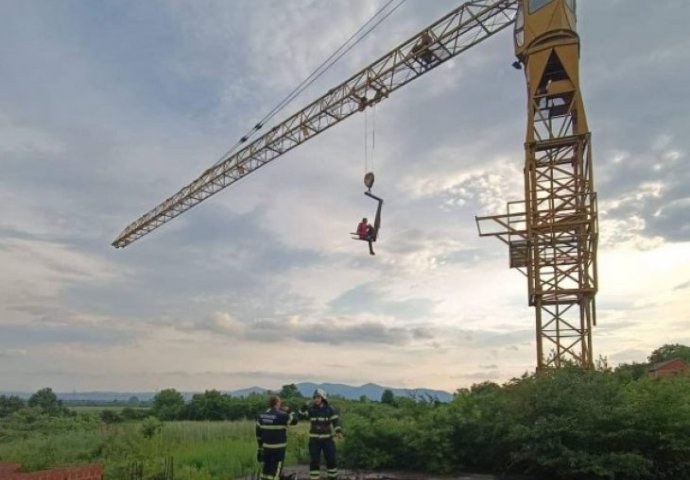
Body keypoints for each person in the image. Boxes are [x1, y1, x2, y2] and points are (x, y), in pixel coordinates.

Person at [298, 388, 343, 480]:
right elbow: (300, 416)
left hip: (327, 439)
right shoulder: (311, 410)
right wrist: (304, 407)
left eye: (318, 397)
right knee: (314, 461)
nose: (316, 399)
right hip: (314, 440)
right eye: (315, 397)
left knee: (331, 459)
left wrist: (338, 431)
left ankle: (333, 477)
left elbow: (336, 421)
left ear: (323, 398)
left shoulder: (330, 409)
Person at [256, 395, 297, 480]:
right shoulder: (282, 415)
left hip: (266, 448)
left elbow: (258, 434)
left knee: (266, 471)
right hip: (278, 450)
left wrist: (260, 449)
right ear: (278, 403)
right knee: (276, 473)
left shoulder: (261, 416)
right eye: (280, 402)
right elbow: (295, 420)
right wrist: (289, 411)